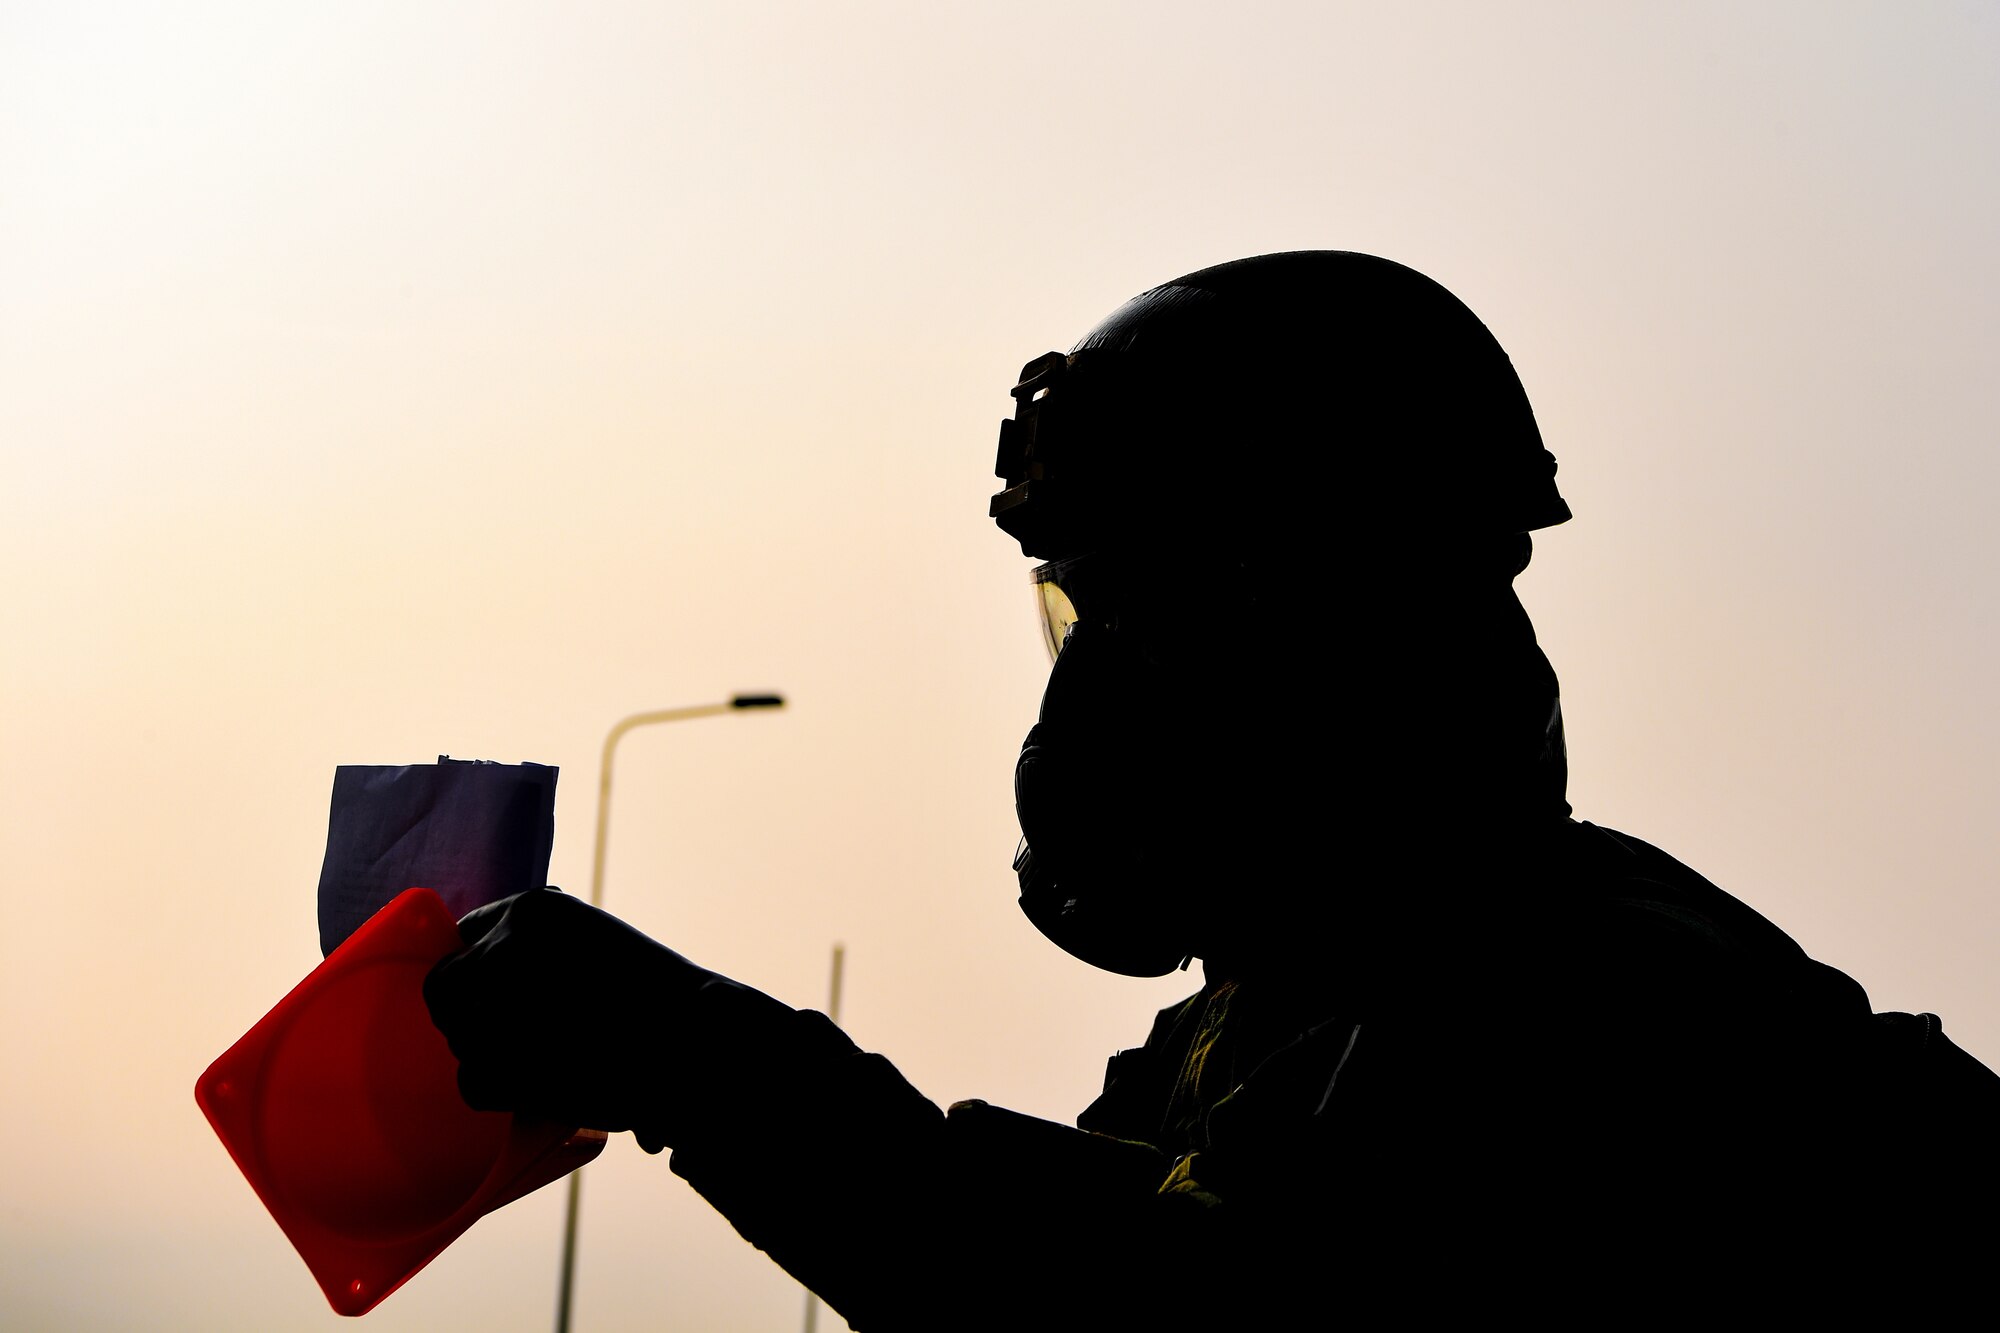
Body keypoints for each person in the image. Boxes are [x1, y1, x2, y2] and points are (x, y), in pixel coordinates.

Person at [425, 252, 1998, 1325]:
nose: (1086, 679)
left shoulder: (1603, 998)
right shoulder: (1260, 1027)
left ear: (1319, 612)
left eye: (1127, 608)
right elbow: (1031, 1252)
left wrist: (699, 1061)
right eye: (1070, 613)